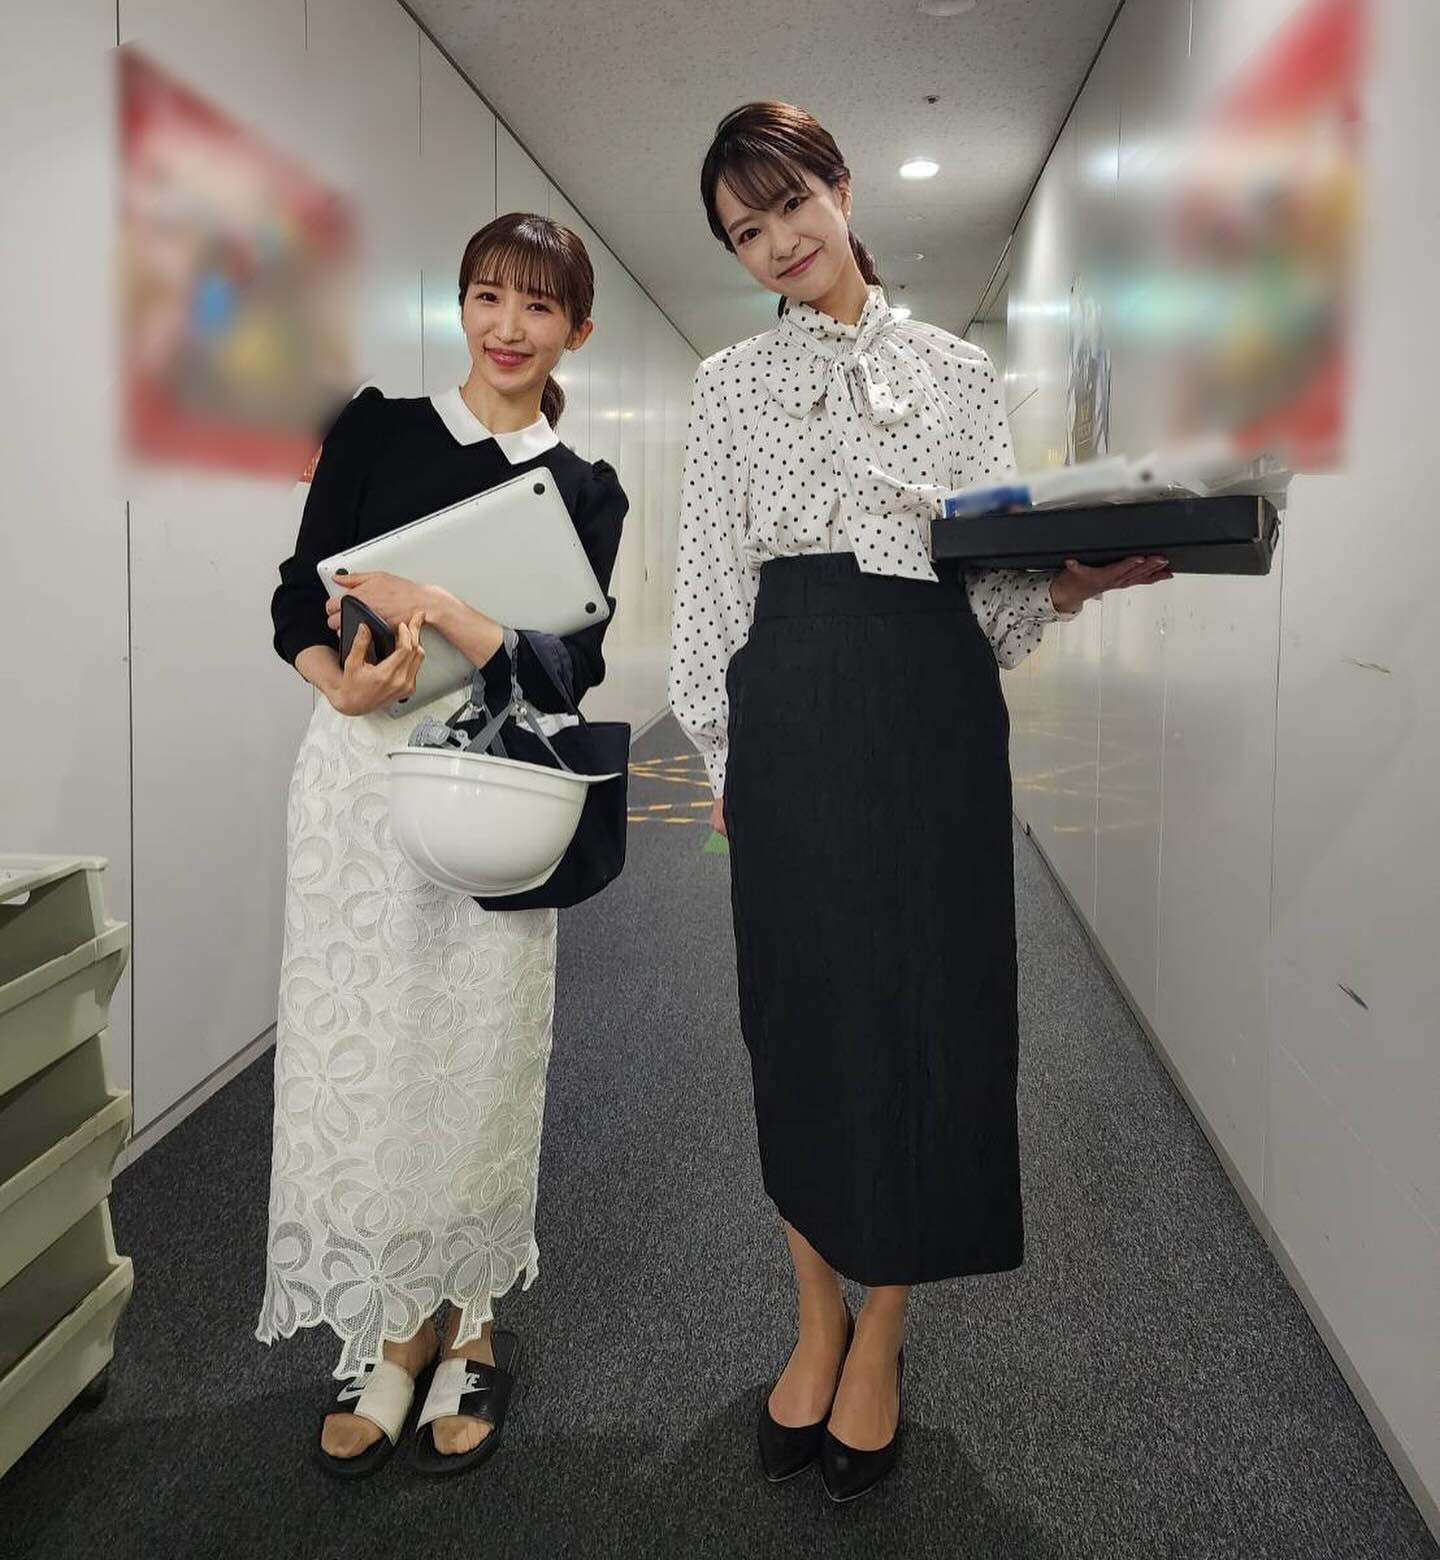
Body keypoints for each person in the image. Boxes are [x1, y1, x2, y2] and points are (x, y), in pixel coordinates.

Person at [668, 102, 1170, 1503]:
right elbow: (706, 589)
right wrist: (719, 759)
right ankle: (814, 1313)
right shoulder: (726, 385)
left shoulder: (956, 370)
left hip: (934, 713)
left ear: (843, 187)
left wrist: (1071, 585)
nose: (778, 242)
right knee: (800, 1013)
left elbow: (993, 598)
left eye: (790, 205)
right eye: (745, 231)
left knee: (926, 1008)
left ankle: (884, 1323)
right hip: (791, 709)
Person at [257, 212, 627, 1479]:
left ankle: (470, 1320)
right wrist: (337, 681)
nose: (507, 328)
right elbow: (297, 592)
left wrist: (450, 613)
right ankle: (389, 1325)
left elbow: (571, 666)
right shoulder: (376, 429)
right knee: (366, 1056)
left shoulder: (583, 489)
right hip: (357, 784)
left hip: (492, 787)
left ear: (577, 329)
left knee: (476, 1051)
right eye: (486, 298)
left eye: (538, 306)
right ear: (460, 306)